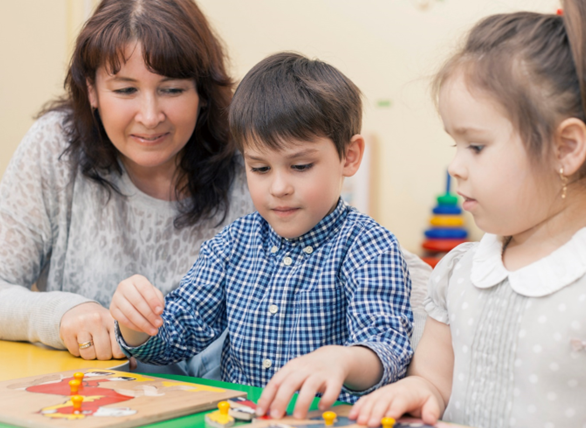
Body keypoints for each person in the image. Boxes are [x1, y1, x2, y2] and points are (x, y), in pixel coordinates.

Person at [348, 1, 586, 427]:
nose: (456, 165)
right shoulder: (461, 272)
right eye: (453, 145)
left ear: (565, 149)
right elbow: (435, 382)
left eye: (475, 146)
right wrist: (417, 391)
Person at [110, 52, 415, 418]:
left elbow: (388, 347)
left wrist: (345, 360)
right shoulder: (232, 245)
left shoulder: (367, 246)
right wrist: (136, 326)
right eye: (260, 167)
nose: (279, 187)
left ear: (349, 156)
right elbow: (179, 334)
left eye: (300, 166)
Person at [0, 0, 254, 371]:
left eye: (172, 89)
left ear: (202, 93)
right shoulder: (54, 146)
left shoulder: (251, 163)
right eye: (125, 90)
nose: (150, 117)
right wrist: (63, 312)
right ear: (92, 91)